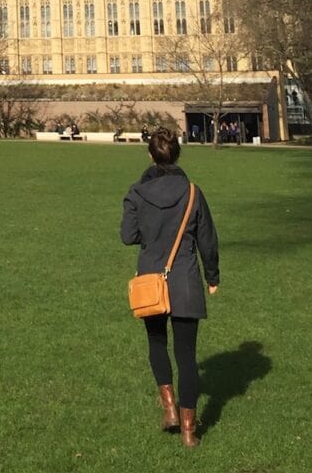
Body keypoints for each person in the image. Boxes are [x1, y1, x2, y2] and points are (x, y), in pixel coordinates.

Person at [121, 127, 220, 448]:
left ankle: (170, 410)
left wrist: (151, 233)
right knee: (187, 356)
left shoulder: (136, 193)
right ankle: (190, 432)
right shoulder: (193, 192)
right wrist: (212, 276)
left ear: (150, 155)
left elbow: (127, 235)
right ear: (177, 154)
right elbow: (207, 239)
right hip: (186, 280)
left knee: (156, 343)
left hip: (152, 278)